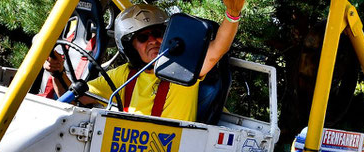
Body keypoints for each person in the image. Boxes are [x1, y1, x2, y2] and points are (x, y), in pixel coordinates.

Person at [44, 0, 246, 122]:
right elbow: (76, 97)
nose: (153, 41)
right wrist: (57, 72)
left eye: (158, 33)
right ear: (131, 47)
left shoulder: (182, 67)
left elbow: (217, 49)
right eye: (142, 37)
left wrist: (233, 15)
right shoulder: (124, 74)